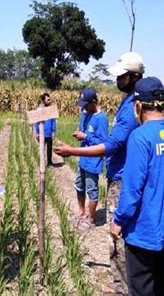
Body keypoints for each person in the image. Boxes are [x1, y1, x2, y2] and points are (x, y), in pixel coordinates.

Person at [54, 52, 144, 294]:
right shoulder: (127, 102)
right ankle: (119, 283)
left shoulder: (134, 105)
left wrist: (73, 150)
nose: (118, 80)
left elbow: (113, 144)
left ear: (134, 76)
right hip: (116, 173)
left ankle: (123, 288)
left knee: (119, 232)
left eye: (122, 76)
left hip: (123, 176)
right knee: (116, 233)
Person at [110, 77, 164, 295]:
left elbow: (132, 189)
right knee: (162, 285)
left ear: (138, 105)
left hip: (143, 231)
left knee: (142, 288)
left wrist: (118, 221)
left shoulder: (139, 137)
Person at [72, 87, 108, 231]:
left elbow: (104, 143)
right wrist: (79, 133)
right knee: (79, 185)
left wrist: (85, 136)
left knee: (92, 189)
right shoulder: (85, 114)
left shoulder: (101, 119)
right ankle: (82, 213)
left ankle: (91, 219)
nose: (84, 108)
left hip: (93, 160)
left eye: (86, 104)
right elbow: (82, 129)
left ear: (94, 102)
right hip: (82, 157)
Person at [34, 93, 57, 166]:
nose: (49, 101)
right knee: (41, 149)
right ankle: (42, 163)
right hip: (42, 133)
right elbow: (36, 122)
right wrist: (37, 132)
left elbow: (53, 121)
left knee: (49, 149)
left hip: (49, 133)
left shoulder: (51, 109)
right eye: (48, 99)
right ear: (43, 100)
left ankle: (49, 162)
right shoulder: (39, 109)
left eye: (50, 99)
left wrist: (53, 131)